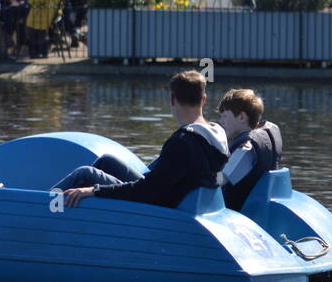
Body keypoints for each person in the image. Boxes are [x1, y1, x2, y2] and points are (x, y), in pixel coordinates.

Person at [53, 70, 229, 208]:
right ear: (203, 99)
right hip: (172, 193)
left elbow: (145, 192)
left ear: (172, 99)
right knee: (107, 161)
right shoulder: (216, 134)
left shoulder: (183, 141)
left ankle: (40, 207)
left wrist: (95, 191)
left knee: (85, 174)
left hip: (158, 206)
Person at [215, 88, 283, 212]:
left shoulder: (247, 148)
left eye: (224, 116)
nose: (221, 121)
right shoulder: (262, 139)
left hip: (239, 213)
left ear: (241, 117)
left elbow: (220, 180)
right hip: (259, 206)